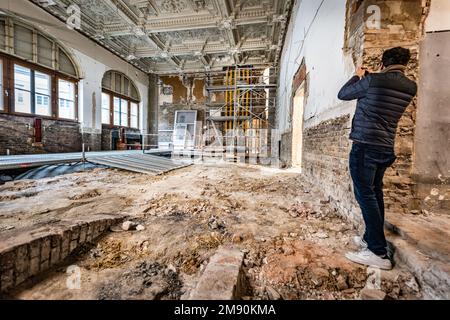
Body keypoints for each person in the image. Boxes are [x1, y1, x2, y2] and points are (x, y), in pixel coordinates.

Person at [337, 47, 417, 270]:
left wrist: (358, 75)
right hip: (385, 147)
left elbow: (343, 94)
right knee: (375, 193)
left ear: (383, 63)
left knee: (365, 195)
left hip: (365, 146)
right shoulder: (411, 86)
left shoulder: (373, 81)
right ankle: (370, 238)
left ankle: (377, 252)